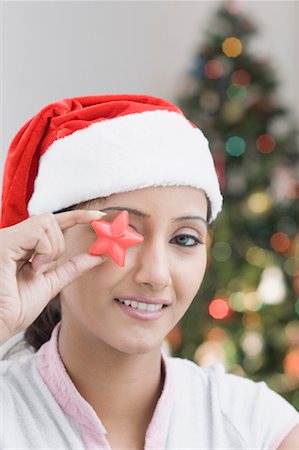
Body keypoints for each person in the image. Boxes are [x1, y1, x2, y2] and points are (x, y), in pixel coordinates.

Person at [0, 94, 298, 450]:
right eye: (125, 231)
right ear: (49, 239)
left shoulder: (259, 426)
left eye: (185, 239)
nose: (156, 275)